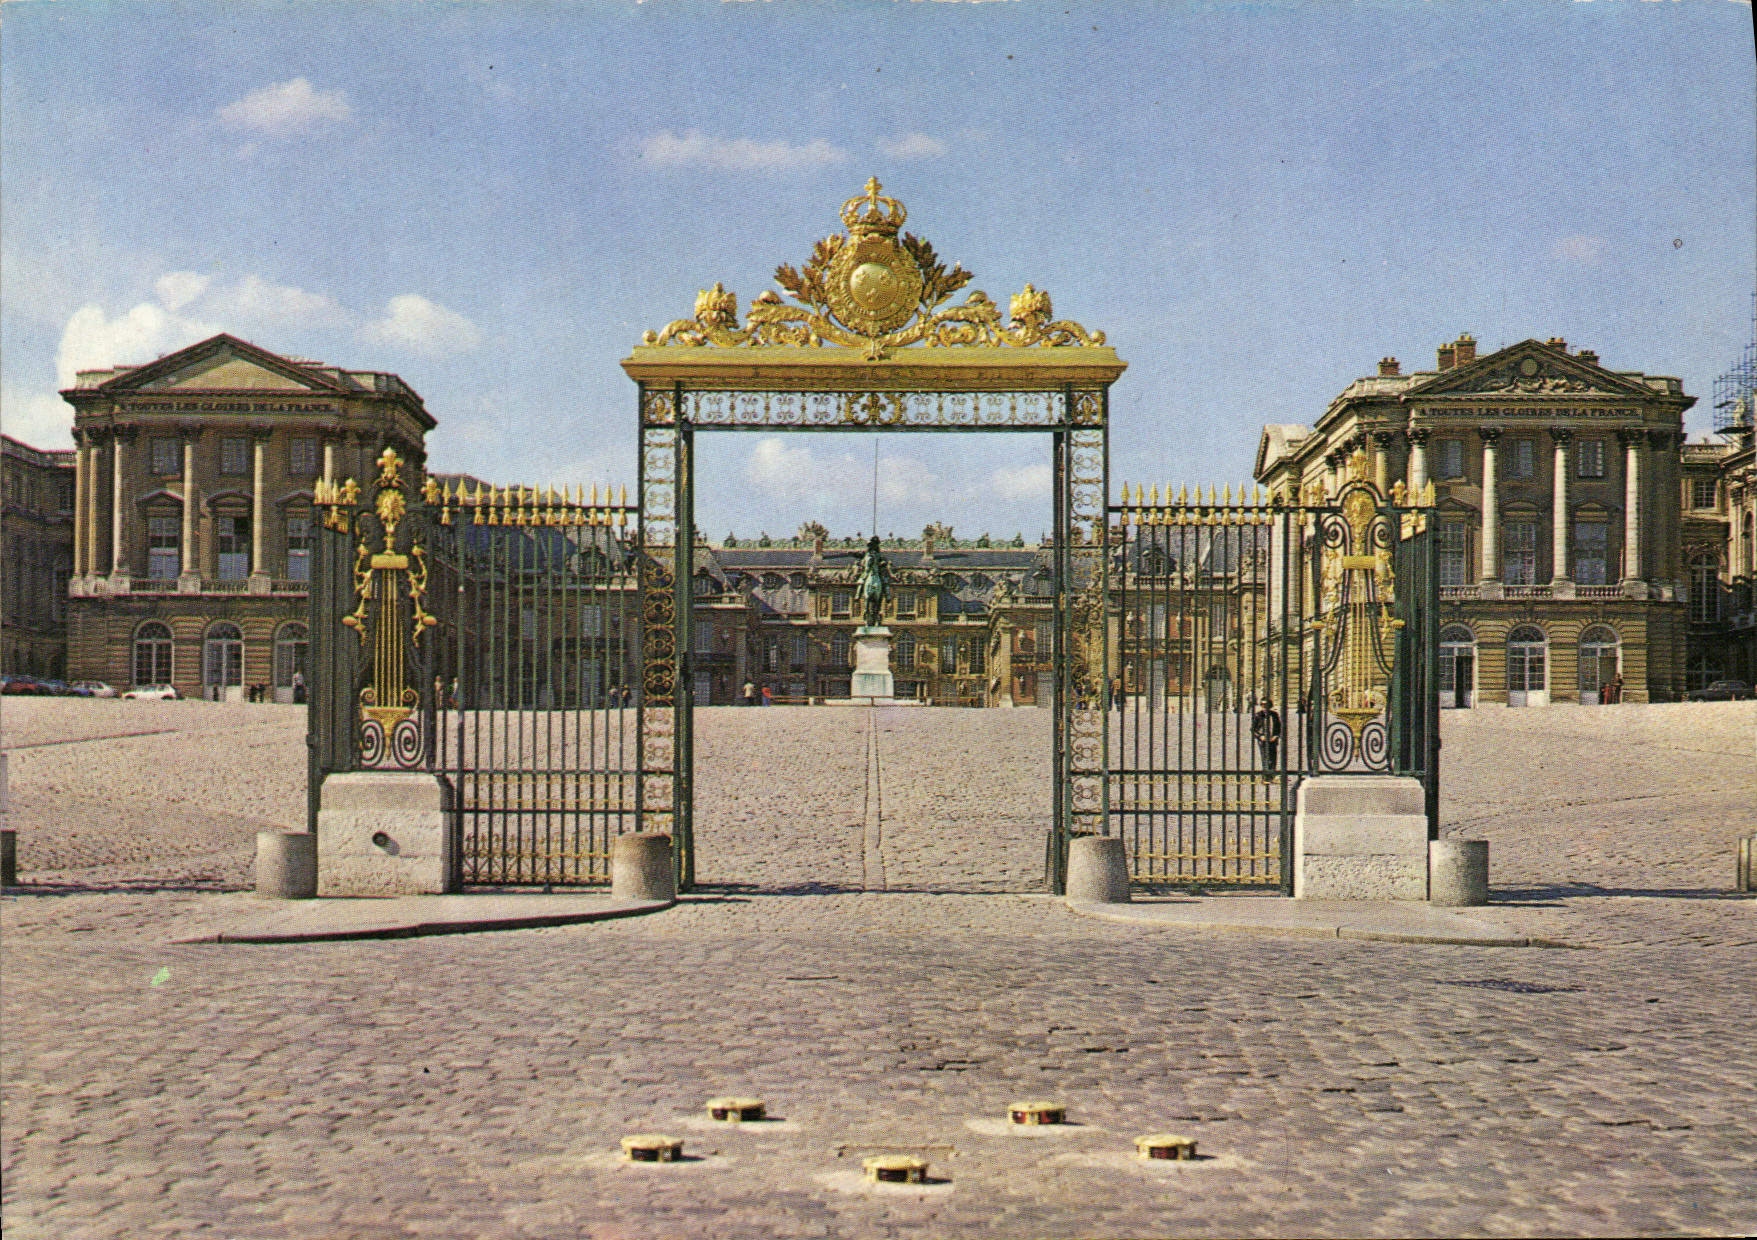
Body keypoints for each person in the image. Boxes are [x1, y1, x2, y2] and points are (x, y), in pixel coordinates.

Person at [1251, 698, 1282, 771]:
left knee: (1273, 758)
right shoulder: (1258, 715)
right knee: (1265, 758)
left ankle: (1272, 775)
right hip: (1263, 740)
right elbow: (1253, 729)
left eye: (1266, 704)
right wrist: (1260, 736)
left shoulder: (1274, 714)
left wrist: (1276, 736)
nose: (1264, 706)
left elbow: (1279, 727)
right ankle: (1265, 777)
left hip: (1273, 739)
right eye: (1262, 704)